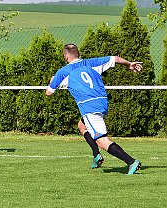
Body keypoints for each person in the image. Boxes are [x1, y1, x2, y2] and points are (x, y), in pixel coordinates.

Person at [46, 44, 142, 175]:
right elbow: (115, 58)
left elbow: (49, 92)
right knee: (82, 126)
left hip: (89, 107)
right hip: (102, 102)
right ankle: (96, 156)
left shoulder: (63, 72)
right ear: (78, 54)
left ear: (66, 56)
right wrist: (129, 64)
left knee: (103, 141)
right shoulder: (91, 63)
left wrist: (52, 80)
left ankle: (131, 162)